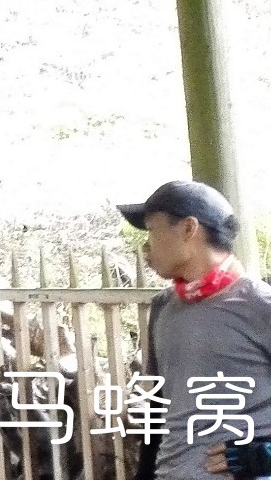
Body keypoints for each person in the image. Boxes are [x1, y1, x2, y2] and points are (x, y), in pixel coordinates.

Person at [115, 181, 271, 480]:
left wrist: (263, 457)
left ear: (189, 228)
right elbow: (159, 409)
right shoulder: (163, 307)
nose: (145, 246)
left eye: (152, 230)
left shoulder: (261, 307)